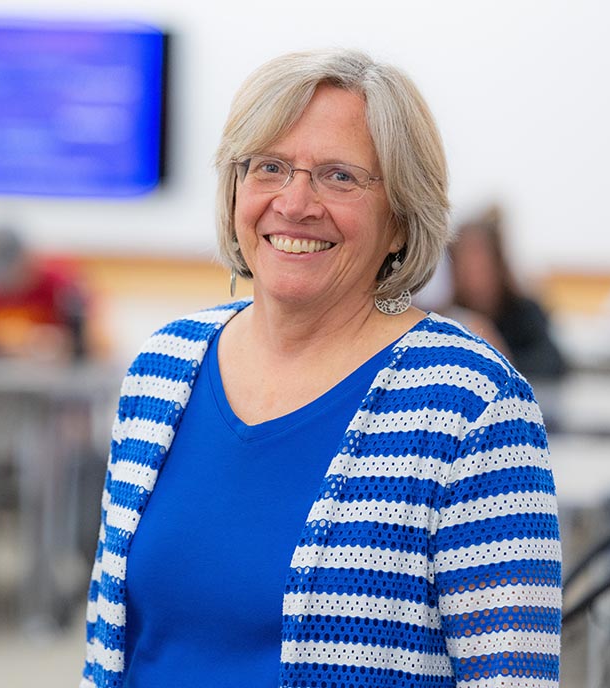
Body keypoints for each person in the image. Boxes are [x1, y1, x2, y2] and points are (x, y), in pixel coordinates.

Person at [82, 49, 561, 688]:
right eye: (269, 167)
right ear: (234, 191)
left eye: (339, 176)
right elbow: (109, 648)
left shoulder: (472, 403)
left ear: (399, 219)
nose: (295, 202)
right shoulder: (163, 367)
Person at [448, 209, 568, 381]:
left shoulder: (524, 311)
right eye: (466, 269)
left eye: (482, 268)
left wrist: (497, 355)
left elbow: (552, 363)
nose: (474, 278)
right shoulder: (448, 317)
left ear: (498, 265)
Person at [0, 225, 88, 360]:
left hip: (47, 373)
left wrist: (62, 341)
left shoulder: (58, 286)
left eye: (11, 273)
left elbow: (97, 342)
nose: (5, 284)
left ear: (27, 261)